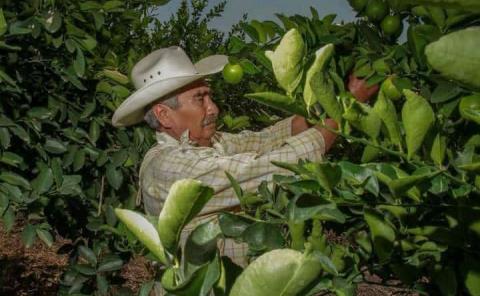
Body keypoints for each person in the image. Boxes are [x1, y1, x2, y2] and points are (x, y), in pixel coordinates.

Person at [112, 46, 374, 268]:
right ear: (164, 115)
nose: (213, 108)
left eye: (210, 97)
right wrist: (346, 109)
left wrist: (335, 99)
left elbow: (267, 139)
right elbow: (264, 168)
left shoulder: (209, 144)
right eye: (200, 99)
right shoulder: (167, 165)